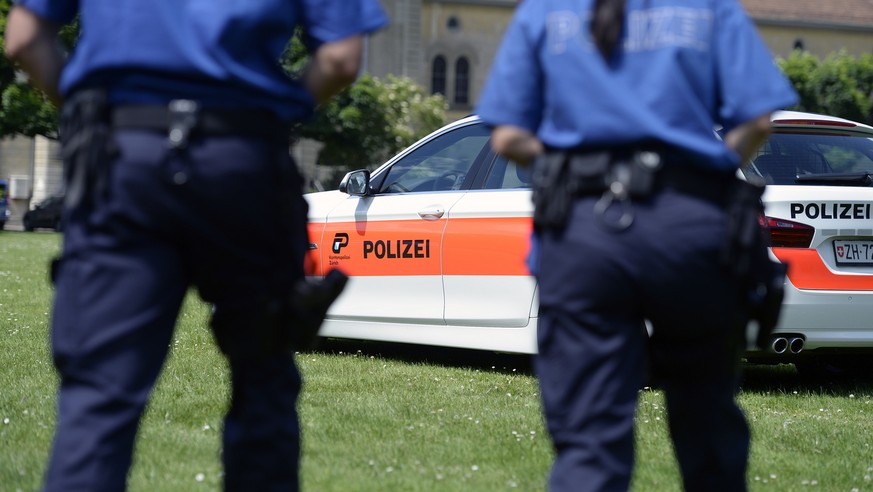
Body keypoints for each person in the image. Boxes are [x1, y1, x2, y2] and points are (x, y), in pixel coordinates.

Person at [5, 1, 386, 490]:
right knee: (263, 379)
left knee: (99, 399)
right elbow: (340, 58)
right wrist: (272, 113)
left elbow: (22, 36)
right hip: (242, 160)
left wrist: (90, 115)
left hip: (122, 159)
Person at [476, 1, 798, 491]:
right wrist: (706, 165)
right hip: (690, 227)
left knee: (588, 444)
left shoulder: (545, 12)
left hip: (583, 231)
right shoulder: (708, 8)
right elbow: (757, 119)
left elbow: (507, 137)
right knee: (708, 427)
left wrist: (575, 163)